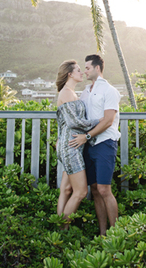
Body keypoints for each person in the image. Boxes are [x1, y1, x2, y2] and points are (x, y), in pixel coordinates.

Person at [69, 54, 120, 236]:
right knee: (95, 191)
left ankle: (116, 236)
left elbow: (108, 121)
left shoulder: (110, 91)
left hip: (105, 143)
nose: (85, 71)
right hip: (88, 146)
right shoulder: (85, 92)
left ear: (97, 68)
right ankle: (103, 234)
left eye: (88, 68)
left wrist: (87, 136)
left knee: (105, 189)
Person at [55, 60, 100, 226]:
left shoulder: (71, 93)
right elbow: (75, 122)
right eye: (79, 70)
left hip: (71, 144)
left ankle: (59, 228)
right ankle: (63, 229)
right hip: (71, 146)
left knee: (67, 190)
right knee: (80, 192)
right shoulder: (66, 93)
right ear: (70, 74)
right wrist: (100, 121)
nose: (82, 73)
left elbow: (64, 122)